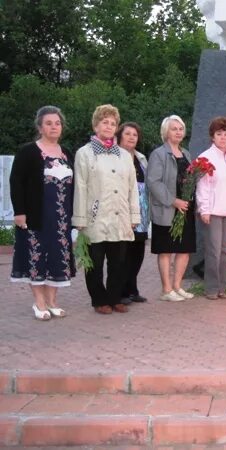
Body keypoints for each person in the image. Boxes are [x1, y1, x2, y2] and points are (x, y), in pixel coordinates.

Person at [72, 104, 140, 314]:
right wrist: (80, 218)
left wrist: (134, 213)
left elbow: (132, 187)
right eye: (105, 122)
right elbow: (80, 186)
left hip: (120, 216)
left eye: (113, 123)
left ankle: (114, 296)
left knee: (118, 262)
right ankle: (99, 299)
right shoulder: (84, 153)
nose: (109, 126)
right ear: (96, 126)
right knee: (95, 262)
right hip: (95, 217)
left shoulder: (124, 155)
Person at [10, 106, 75, 320]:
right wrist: (19, 212)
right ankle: (39, 302)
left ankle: (52, 301)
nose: (54, 127)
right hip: (36, 217)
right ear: (40, 126)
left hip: (61, 220)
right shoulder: (29, 152)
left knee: (58, 257)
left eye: (57, 123)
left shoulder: (67, 153)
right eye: (49, 123)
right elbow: (16, 182)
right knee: (36, 258)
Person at [147, 115, 197, 302]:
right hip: (168, 209)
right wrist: (173, 201)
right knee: (166, 249)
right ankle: (166, 290)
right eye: (174, 128)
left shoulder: (186, 154)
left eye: (180, 129)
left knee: (184, 249)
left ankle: (177, 286)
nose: (178, 132)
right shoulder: (158, 154)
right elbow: (154, 182)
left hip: (185, 209)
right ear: (165, 132)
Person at [196, 116, 226, 300]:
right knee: (213, 251)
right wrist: (204, 209)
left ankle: (223, 288)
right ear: (212, 136)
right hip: (213, 212)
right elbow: (202, 186)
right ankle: (211, 288)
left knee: (224, 251)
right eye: (219, 134)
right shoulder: (205, 158)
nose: (223, 137)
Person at [115, 122, 149, 304]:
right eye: (127, 134)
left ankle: (132, 289)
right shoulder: (115, 156)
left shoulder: (141, 158)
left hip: (142, 213)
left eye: (134, 135)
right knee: (123, 253)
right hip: (123, 210)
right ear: (119, 136)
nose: (131, 137)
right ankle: (120, 291)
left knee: (137, 253)